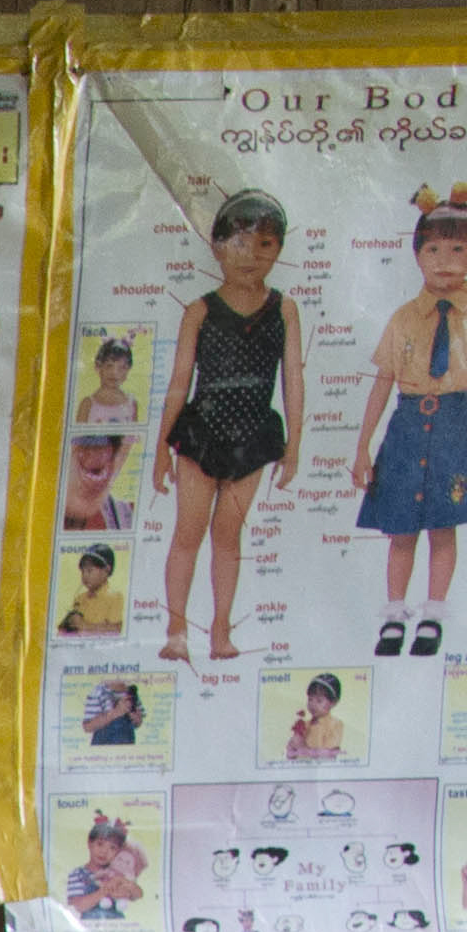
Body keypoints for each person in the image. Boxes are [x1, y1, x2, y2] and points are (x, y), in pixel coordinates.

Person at [354, 187, 467, 657]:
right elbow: (381, 382)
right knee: (401, 528)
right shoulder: (403, 318)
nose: (445, 260)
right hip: (405, 427)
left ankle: (433, 614)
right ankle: (395, 614)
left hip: (457, 428)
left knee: (444, 525)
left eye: (458, 249)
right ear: (417, 254)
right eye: (433, 249)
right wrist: (362, 447)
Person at [157, 187, 301, 664]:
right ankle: (177, 628)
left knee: (228, 537)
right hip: (200, 436)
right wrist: (162, 448)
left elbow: (292, 379)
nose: (250, 256)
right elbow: (180, 382)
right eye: (238, 243)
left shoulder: (284, 309)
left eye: (265, 245)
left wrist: (294, 445)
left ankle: (220, 629)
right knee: (187, 534)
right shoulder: (199, 311)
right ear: (216, 246)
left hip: (254, 438)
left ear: (278, 251)